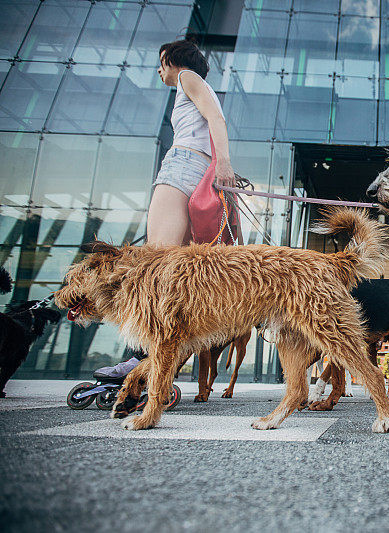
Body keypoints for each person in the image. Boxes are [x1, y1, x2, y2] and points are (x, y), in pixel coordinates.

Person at [95, 39, 235, 381]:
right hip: (199, 169)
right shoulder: (195, 85)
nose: (159, 70)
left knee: (153, 262)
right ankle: (161, 356)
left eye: (161, 62)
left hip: (183, 164)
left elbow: (216, 118)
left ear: (174, 60)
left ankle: (139, 357)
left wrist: (226, 164)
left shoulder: (187, 76)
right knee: (175, 269)